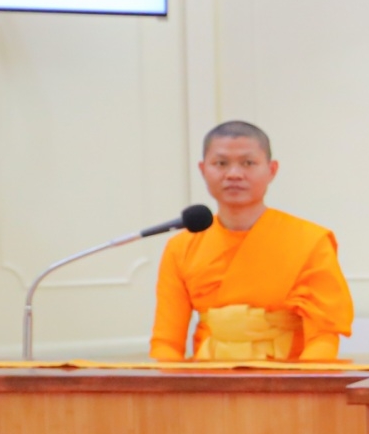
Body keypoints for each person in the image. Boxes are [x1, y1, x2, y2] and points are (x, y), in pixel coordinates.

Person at [150, 121, 353, 361]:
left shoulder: (309, 240)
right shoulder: (181, 247)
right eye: (221, 163)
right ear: (203, 169)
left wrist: (300, 388)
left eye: (248, 163)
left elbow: (324, 336)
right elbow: (166, 342)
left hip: (288, 380)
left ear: (272, 170)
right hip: (207, 380)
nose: (234, 174)